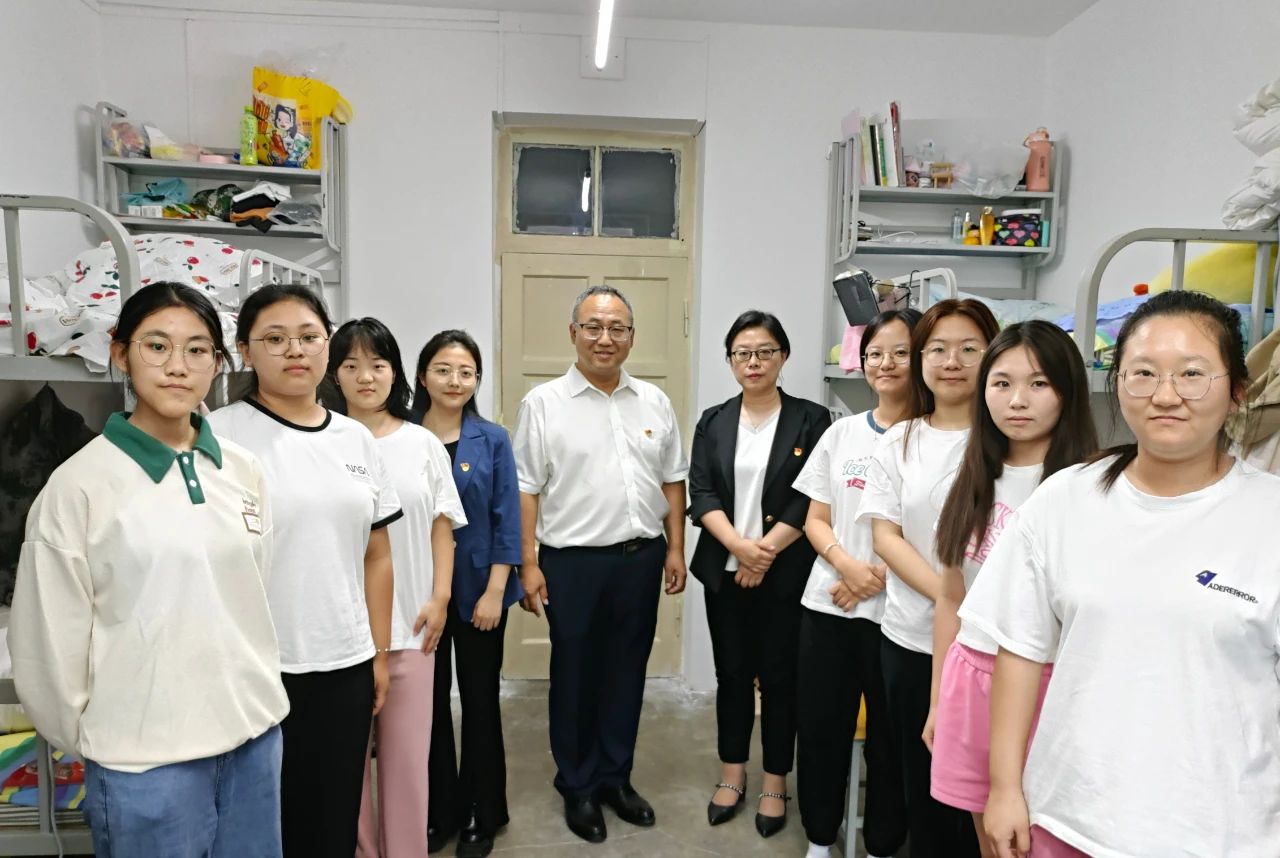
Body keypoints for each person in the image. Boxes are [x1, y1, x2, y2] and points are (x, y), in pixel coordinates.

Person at [964, 291, 1280, 858]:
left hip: (1226, 830)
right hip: (1071, 818)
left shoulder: (1268, 514)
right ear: (1118, 383)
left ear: (1237, 390)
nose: (1166, 395)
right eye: (1143, 373)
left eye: (1192, 374)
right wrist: (1005, 788)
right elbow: (1019, 651)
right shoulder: (1065, 500)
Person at [10, 282, 289, 857]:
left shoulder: (243, 470)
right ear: (121, 354)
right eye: (157, 346)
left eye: (197, 350)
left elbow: (255, 597)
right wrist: (102, 741)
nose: (177, 367)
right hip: (144, 763)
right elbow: (46, 644)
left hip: (253, 740)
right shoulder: (79, 486)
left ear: (218, 362)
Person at [209, 284, 400, 858]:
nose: (295, 350)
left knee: (334, 816)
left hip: (344, 663)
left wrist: (378, 653)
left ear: (326, 344)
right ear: (246, 351)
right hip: (256, 667)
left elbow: (377, 554)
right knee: (264, 824)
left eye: (309, 336)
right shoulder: (218, 435)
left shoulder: (355, 438)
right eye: (275, 338)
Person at [512, 284, 688, 844]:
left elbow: (672, 480)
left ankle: (615, 776)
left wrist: (676, 548)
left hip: (641, 559)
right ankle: (578, 784)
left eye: (617, 328)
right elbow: (525, 489)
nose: (604, 338)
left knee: (626, 672)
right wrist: (528, 563)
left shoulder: (654, 401)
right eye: (593, 326)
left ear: (632, 337)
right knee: (575, 675)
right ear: (574, 333)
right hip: (572, 564)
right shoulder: (543, 404)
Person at [925, 321, 1096, 855]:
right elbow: (952, 596)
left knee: (1045, 842)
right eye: (1001, 383)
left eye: (1038, 383)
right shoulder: (972, 477)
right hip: (970, 676)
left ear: (1067, 391)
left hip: (1051, 685)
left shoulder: (1089, 488)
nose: (1017, 400)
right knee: (993, 841)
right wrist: (937, 701)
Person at [856, 298, 1000, 858]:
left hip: (997, 651)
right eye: (937, 349)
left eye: (969, 349)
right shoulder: (901, 440)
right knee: (926, 793)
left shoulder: (1010, 440)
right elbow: (885, 535)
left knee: (989, 800)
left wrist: (969, 609)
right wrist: (951, 597)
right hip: (912, 642)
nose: (952, 361)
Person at [687, 310, 831, 838]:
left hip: (786, 571)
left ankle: (774, 781)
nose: (754, 362)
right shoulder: (713, 420)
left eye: (765, 351)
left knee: (779, 678)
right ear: (730, 361)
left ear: (783, 356)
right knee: (731, 675)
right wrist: (739, 548)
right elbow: (702, 492)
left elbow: (813, 494)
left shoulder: (812, 420)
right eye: (743, 353)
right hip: (725, 570)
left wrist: (764, 552)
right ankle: (732, 773)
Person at [326, 318, 467, 858]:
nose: (366, 377)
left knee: (409, 766)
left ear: (396, 373)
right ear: (334, 374)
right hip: (340, 636)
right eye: (351, 365)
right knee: (346, 770)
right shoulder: (321, 441)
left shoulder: (422, 443)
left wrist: (440, 597)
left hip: (411, 627)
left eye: (378, 364)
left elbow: (441, 526)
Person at [792, 309, 920, 858]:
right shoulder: (841, 433)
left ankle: (883, 843)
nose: (885, 363)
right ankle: (821, 838)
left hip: (900, 616)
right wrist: (847, 567)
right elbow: (815, 519)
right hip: (830, 607)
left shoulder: (938, 437)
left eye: (900, 352)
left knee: (892, 740)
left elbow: (941, 531)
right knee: (821, 730)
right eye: (874, 354)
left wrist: (874, 577)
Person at [415, 330, 523, 858]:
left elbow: (507, 518)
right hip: (420, 595)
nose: (454, 380)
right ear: (422, 376)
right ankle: (440, 811)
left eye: (466, 372)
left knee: (480, 704)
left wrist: (496, 590)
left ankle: (483, 811)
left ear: (476, 380)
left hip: (481, 591)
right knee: (429, 707)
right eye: (443, 369)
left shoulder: (492, 439)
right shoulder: (402, 435)